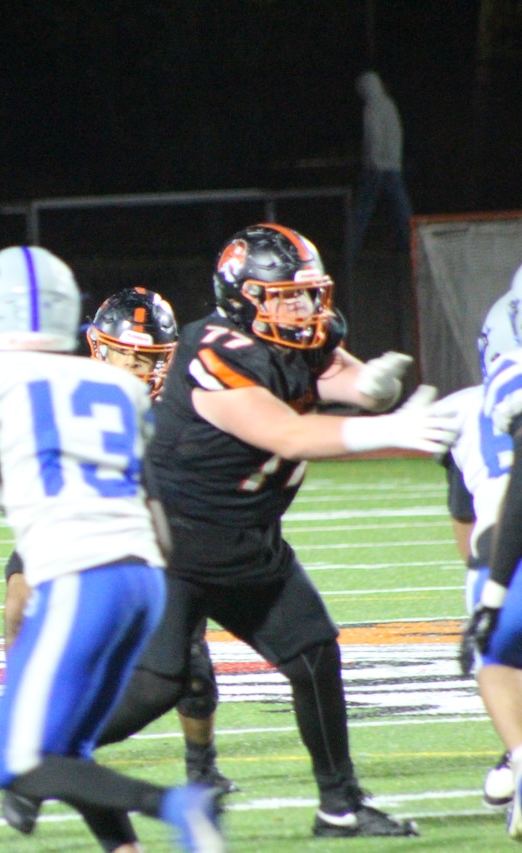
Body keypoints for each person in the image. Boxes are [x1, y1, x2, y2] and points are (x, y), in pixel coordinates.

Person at [93, 223, 459, 839]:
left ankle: (340, 806)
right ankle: (38, 753)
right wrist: (384, 428)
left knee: (314, 653)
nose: (303, 308)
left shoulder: (300, 335)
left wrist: (371, 389)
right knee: (157, 686)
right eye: (285, 297)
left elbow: (339, 376)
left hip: (248, 540)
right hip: (176, 543)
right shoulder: (213, 351)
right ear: (243, 297)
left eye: (307, 294)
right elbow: (285, 434)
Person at [0, 245, 226, 853]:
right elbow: (154, 505)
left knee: (17, 762)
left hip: (80, 577)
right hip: (145, 579)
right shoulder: (116, 389)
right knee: (68, 748)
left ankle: (177, 807)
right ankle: (124, 847)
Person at [1, 286, 237, 795]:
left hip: (153, 536)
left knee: (190, 661)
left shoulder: (181, 408)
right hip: (71, 519)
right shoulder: (67, 396)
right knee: (20, 598)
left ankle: (202, 765)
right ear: (98, 347)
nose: (133, 367)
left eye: (145, 358)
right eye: (124, 354)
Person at [461, 284, 522, 839]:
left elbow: (477, 527)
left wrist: (491, 591)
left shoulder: (472, 403)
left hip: (502, 546)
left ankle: (518, 755)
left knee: (496, 654)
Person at [349, 70, 413, 254]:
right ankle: (411, 245)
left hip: (375, 167)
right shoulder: (389, 104)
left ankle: (351, 247)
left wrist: (372, 160)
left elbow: (373, 137)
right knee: (401, 208)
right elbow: (397, 134)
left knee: (362, 208)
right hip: (393, 165)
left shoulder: (372, 107)